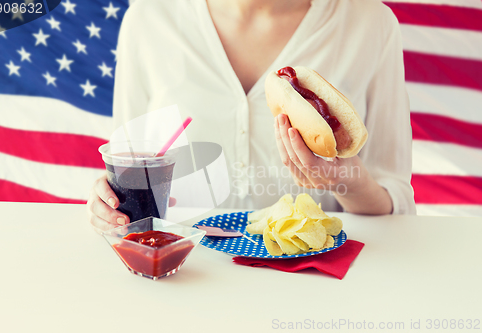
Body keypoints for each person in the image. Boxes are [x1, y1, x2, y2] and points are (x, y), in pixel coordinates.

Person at [87, 0, 416, 232]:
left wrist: (345, 181)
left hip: (314, 284)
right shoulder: (149, 18)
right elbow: (128, 165)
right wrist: (112, 203)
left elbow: (395, 199)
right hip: (184, 275)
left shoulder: (370, 22)